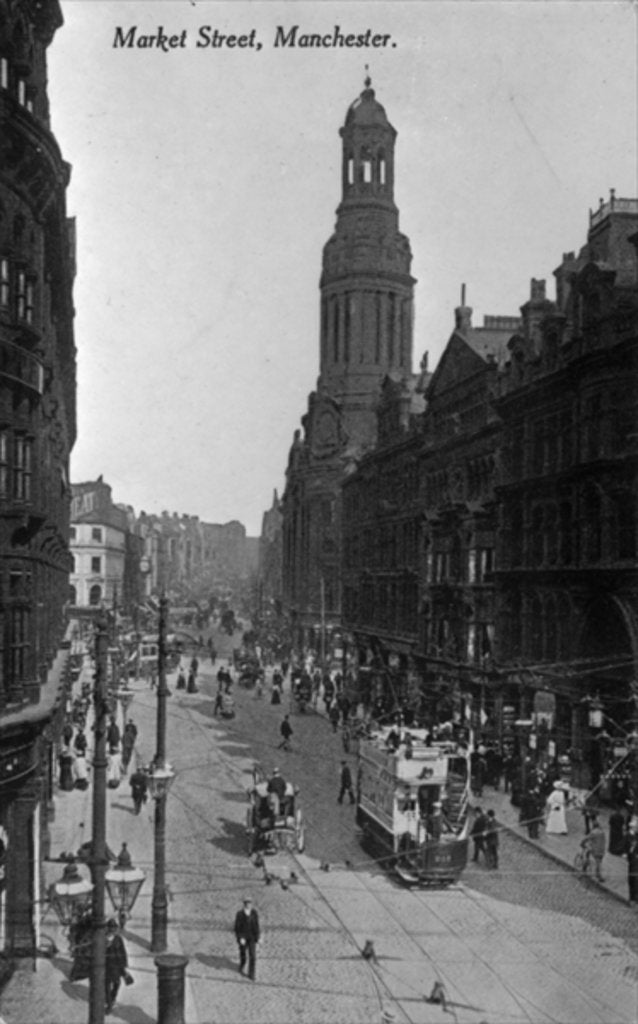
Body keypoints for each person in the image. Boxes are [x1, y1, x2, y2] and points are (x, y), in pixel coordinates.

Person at [105, 918, 130, 1013]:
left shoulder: (118, 939)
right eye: (110, 927)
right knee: (107, 985)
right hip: (107, 966)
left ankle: (112, 998)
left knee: (117, 983)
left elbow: (123, 952)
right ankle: (109, 1004)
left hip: (116, 965)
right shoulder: (103, 939)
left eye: (113, 928)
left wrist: (124, 964)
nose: (112, 930)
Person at [234, 896, 260, 980]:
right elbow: (237, 927)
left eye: (250, 903)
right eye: (247, 903)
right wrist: (240, 937)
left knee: (253, 956)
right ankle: (242, 964)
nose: (249, 905)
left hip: (252, 937)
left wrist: (258, 937)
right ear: (244, 904)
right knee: (243, 953)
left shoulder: (254, 913)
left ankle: (251, 974)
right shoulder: (240, 914)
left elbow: (256, 925)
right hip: (243, 937)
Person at [626, 828, 638, 904]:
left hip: (636, 868)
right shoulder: (632, 846)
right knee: (631, 882)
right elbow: (630, 854)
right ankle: (631, 898)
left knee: (635, 884)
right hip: (631, 867)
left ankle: (634, 899)